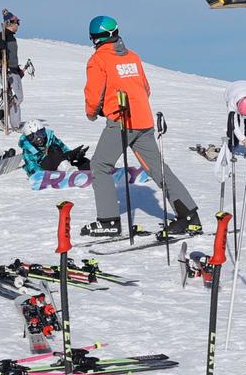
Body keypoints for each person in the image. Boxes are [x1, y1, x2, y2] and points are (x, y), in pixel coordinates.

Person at [80, 15, 201, 236]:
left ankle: (108, 221)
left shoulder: (98, 60)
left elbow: (94, 95)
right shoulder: (133, 57)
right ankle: (190, 216)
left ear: (94, 38)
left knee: (100, 165)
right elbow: (145, 88)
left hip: (121, 121)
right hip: (143, 120)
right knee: (157, 168)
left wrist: (92, 113)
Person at [0, 10, 26, 131]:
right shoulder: (1, 37)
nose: (18, 25)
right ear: (10, 23)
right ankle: (0, 117)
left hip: (12, 70)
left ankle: (14, 124)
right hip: (5, 70)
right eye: (17, 22)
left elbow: (12, 57)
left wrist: (18, 70)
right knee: (17, 97)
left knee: (14, 97)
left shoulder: (11, 38)